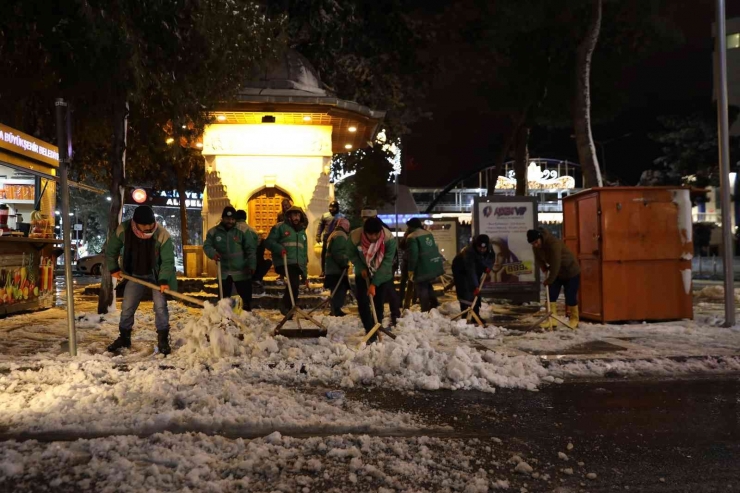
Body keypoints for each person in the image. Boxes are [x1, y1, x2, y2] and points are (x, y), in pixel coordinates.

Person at [105, 206, 177, 355]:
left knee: (160, 307)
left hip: (156, 275)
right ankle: (124, 337)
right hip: (134, 274)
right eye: (144, 225)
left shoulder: (162, 234)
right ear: (135, 223)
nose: (148, 228)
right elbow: (111, 251)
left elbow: (168, 261)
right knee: (127, 307)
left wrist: (163, 279)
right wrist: (114, 268)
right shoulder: (123, 230)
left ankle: (163, 339)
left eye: (150, 224)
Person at [347, 217, 398, 340]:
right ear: (365, 232)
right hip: (363, 272)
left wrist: (374, 284)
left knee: (378, 302)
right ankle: (369, 330)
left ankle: (376, 328)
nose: (373, 237)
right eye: (370, 235)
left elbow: (387, 263)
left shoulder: (389, 238)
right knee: (363, 302)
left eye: (376, 234)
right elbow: (351, 253)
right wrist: (360, 267)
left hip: (382, 273)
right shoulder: (355, 236)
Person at [203, 207, 257, 311]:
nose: (230, 221)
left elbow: (250, 249)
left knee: (245, 299)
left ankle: (246, 318)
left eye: (232, 219)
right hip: (223, 272)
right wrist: (212, 253)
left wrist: (252, 264)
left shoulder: (242, 231)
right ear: (222, 218)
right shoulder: (214, 232)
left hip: (241, 272)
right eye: (227, 219)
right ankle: (225, 320)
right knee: (224, 301)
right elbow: (207, 246)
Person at [527, 228, 581, 329]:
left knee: (570, 296)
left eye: (536, 242)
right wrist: (543, 266)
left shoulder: (553, 244)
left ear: (540, 238)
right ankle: (552, 320)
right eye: (532, 244)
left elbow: (556, 263)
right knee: (551, 295)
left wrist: (550, 280)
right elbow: (538, 258)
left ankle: (574, 319)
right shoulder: (536, 247)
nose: (535, 245)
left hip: (570, 271)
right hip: (557, 272)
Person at [265, 206, 309, 315]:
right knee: (293, 285)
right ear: (289, 216)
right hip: (284, 262)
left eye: (298, 215)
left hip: (297, 264)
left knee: (295, 287)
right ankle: (284, 305)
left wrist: (304, 273)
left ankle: (289, 310)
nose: (296, 218)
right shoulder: (280, 227)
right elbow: (269, 242)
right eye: (294, 215)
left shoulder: (302, 232)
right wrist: (280, 249)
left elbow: (304, 253)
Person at [404, 218, 444, 312]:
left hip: (422, 267)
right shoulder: (428, 233)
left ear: (411, 226)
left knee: (422, 288)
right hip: (432, 264)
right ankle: (434, 305)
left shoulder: (412, 237)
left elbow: (413, 255)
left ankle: (425, 310)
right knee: (428, 285)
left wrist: (411, 269)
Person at [452, 234, 494, 320]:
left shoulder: (489, 249)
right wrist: (475, 286)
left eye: (484, 248)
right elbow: (471, 271)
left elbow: (491, 258)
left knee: (476, 292)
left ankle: (475, 315)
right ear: (476, 245)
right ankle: (465, 316)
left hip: (475, 269)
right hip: (460, 270)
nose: (482, 250)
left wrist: (488, 267)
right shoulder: (469, 253)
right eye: (480, 248)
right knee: (466, 291)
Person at [235, 210, 271, 291]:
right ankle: (256, 279)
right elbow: (252, 250)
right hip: (250, 261)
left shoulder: (231, 229)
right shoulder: (251, 230)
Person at [324, 217, 351, 316]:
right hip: (337, 269)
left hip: (331, 268)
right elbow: (339, 252)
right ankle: (336, 309)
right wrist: (344, 263)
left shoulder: (334, 234)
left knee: (335, 289)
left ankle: (335, 309)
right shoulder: (340, 235)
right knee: (340, 289)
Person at [316, 200, 344, 277]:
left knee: (336, 255)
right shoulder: (325, 216)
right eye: (330, 207)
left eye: (333, 207)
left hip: (336, 239)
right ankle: (323, 271)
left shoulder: (341, 217)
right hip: (326, 238)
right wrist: (318, 235)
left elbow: (344, 228)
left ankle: (338, 271)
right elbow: (320, 226)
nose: (331, 208)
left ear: (337, 208)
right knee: (324, 255)